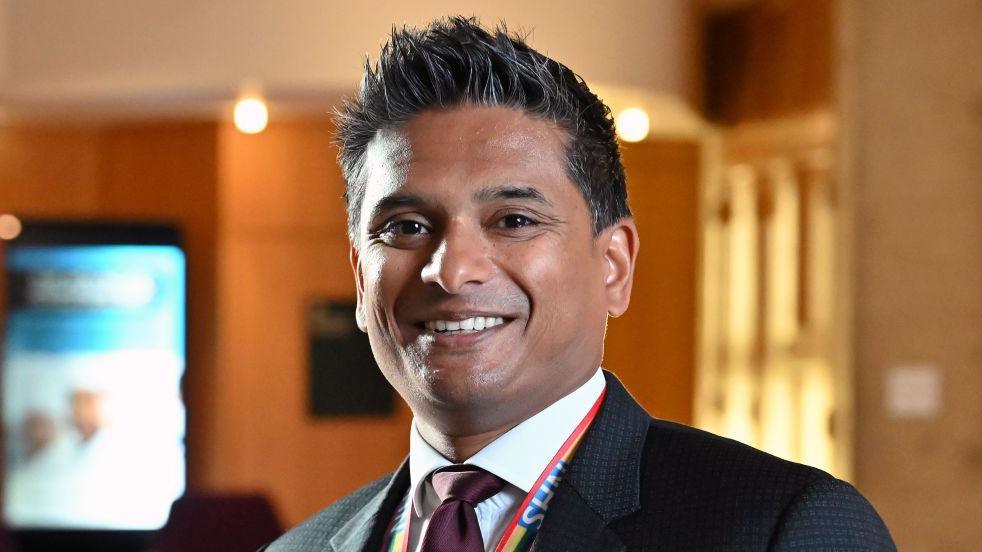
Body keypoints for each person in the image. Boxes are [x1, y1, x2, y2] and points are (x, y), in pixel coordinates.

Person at [264, 17, 895, 552]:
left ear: (614, 265)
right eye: (405, 226)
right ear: (359, 278)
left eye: (513, 220)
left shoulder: (781, 529)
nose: (452, 270)